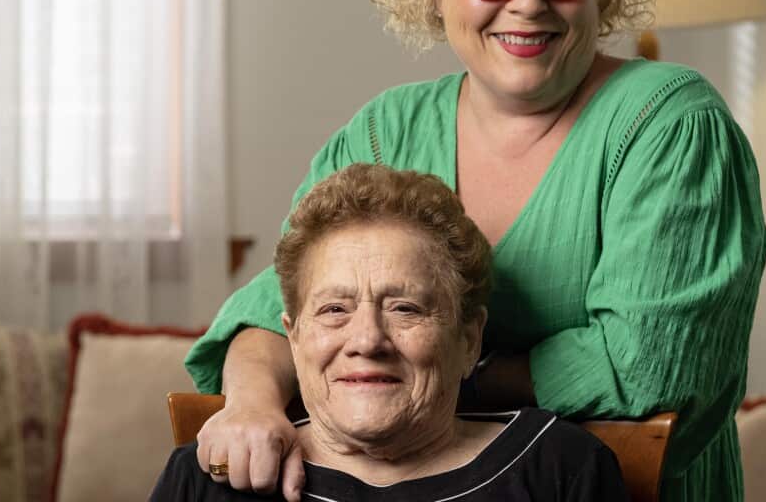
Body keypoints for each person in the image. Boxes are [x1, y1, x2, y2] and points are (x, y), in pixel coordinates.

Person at [184, 0, 766, 502]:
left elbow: (651, 372)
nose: (527, 1)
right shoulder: (385, 131)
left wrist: (443, 373)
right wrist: (254, 404)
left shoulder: (670, 125)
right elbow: (276, 313)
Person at [153, 164, 629, 501]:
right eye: (335, 309)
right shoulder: (211, 475)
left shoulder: (561, 470)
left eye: (405, 309)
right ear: (293, 339)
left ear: (468, 341)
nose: (367, 340)